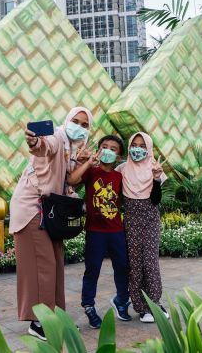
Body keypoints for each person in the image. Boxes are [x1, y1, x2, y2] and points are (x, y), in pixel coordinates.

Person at [9, 107, 93, 341]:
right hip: (31, 209)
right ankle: (39, 322)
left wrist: (80, 163)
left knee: (55, 264)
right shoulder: (57, 136)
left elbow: (67, 181)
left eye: (85, 125)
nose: (79, 126)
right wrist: (35, 141)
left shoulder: (71, 149)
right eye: (75, 121)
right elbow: (45, 146)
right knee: (42, 266)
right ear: (67, 121)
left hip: (49, 212)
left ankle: (57, 318)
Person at [67, 135, 132, 328]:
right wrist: (87, 162)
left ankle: (121, 300)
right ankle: (89, 305)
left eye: (113, 149)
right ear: (98, 149)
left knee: (122, 267)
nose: (108, 151)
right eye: (105, 147)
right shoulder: (91, 172)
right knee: (92, 270)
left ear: (119, 155)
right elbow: (72, 180)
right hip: (95, 231)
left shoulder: (119, 176)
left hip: (116, 231)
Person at [116, 132, 168, 323]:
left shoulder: (156, 168)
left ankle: (155, 303)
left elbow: (156, 200)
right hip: (131, 222)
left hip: (150, 220)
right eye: (134, 145)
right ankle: (141, 308)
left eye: (142, 145)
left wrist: (155, 178)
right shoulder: (121, 169)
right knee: (135, 265)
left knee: (150, 263)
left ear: (149, 148)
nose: (137, 149)